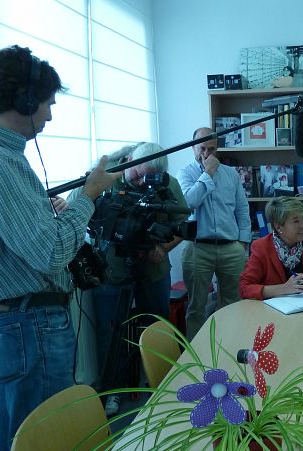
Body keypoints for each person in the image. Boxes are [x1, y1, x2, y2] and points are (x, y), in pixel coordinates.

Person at [0, 45, 121, 451]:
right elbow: (53, 253)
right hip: (29, 325)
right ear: (25, 99)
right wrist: (88, 197)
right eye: (48, 104)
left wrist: (20, 226)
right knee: (47, 437)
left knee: (21, 435)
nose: (49, 115)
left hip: (0, 323)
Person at [77, 142, 189, 416]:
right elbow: (79, 211)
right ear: (129, 160)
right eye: (138, 175)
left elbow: (182, 224)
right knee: (112, 331)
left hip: (152, 269)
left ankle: (162, 384)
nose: (141, 182)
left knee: (157, 326)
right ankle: (112, 392)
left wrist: (162, 248)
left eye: (148, 177)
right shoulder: (106, 179)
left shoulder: (167, 183)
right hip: (112, 269)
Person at [177, 127, 250, 340]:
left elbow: (242, 209)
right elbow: (189, 202)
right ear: (193, 148)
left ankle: (231, 348)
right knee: (196, 307)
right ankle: (197, 360)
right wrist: (207, 173)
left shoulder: (231, 174)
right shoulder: (186, 173)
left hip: (230, 248)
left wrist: (243, 244)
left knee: (233, 304)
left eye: (211, 148)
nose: (207, 154)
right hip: (198, 248)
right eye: (202, 148)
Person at [240, 197, 303, 299]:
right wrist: (283, 288)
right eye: (296, 221)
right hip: (273, 312)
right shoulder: (261, 247)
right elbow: (245, 288)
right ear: (279, 227)